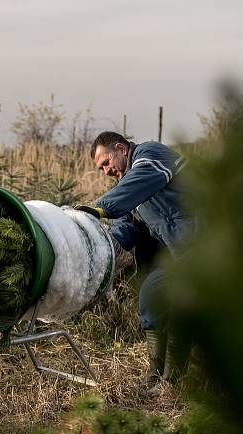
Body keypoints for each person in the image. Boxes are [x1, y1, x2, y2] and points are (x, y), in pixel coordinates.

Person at [77, 131, 193, 391]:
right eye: (101, 169)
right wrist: (97, 244)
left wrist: (101, 207)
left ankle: (171, 382)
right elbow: (128, 224)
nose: (105, 171)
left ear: (120, 148)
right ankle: (155, 373)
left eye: (106, 163)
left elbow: (142, 181)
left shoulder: (151, 155)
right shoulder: (132, 186)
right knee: (150, 298)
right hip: (174, 256)